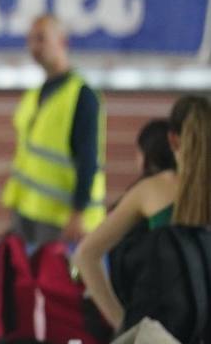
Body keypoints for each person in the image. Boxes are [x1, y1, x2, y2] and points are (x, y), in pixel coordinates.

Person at [75, 95, 208, 332]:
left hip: (167, 342)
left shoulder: (151, 191)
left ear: (173, 140)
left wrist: (123, 324)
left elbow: (86, 255)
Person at [1, 14, 106, 246]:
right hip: (28, 212)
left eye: (41, 39)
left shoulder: (81, 95)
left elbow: (88, 159)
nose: (33, 47)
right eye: (30, 40)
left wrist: (78, 213)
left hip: (62, 219)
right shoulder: (34, 95)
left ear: (62, 42)